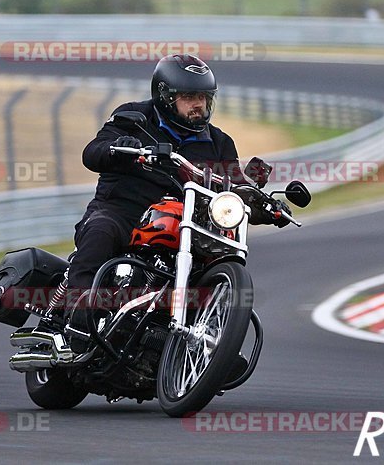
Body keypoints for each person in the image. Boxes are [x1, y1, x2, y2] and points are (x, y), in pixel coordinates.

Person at [64, 53, 285, 295]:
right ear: (166, 96)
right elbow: (92, 153)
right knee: (101, 232)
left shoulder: (220, 142)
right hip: (124, 211)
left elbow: (235, 187)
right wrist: (118, 149)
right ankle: (78, 311)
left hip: (184, 222)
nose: (198, 104)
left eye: (203, 97)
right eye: (189, 97)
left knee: (215, 255)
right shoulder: (133, 119)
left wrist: (267, 207)